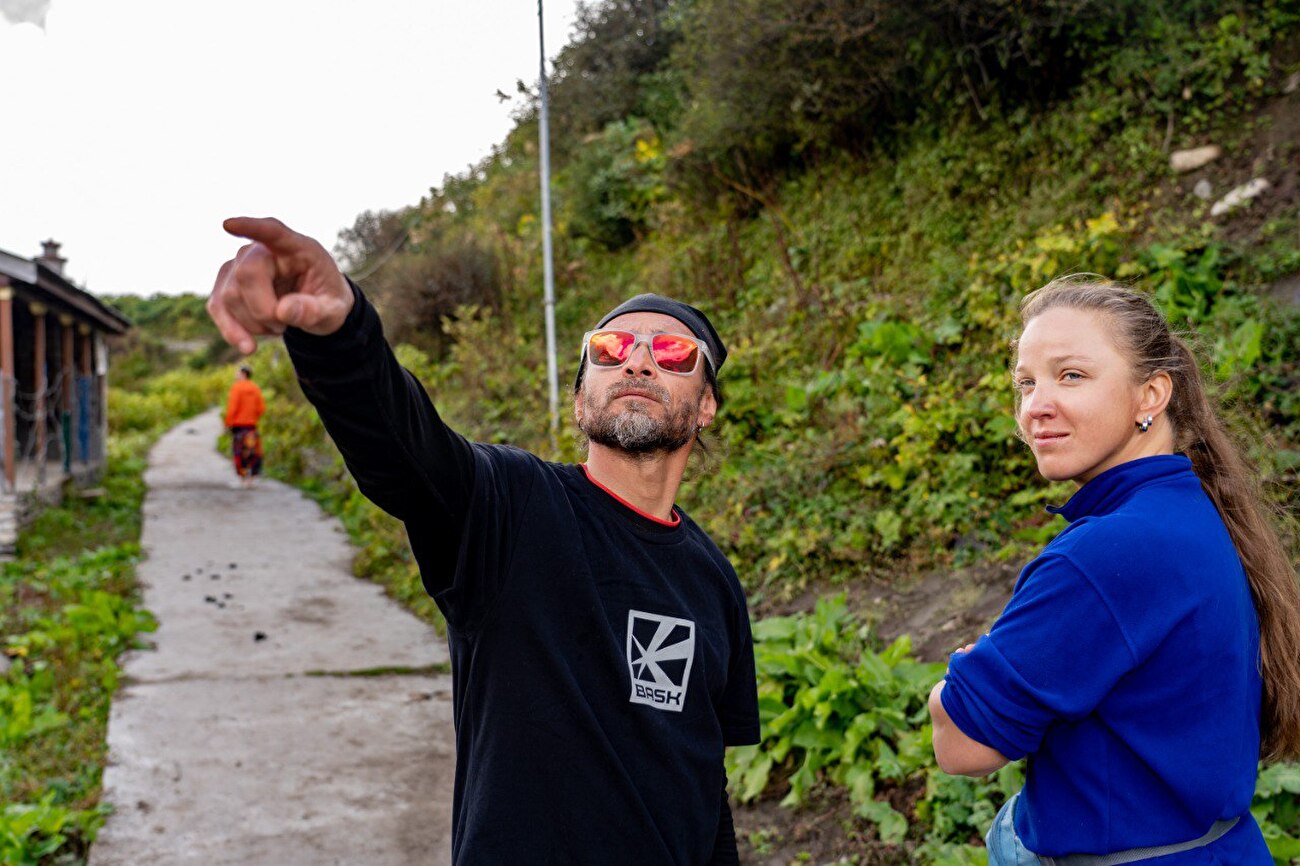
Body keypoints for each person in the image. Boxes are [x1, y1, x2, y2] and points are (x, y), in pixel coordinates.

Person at [206, 216, 760, 865]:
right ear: (581, 400)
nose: (637, 360)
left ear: (706, 405)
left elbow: (704, 784)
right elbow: (404, 450)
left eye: (672, 353)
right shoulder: (510, 509)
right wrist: (340, 334)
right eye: (609, 349)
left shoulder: (714, 580)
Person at [927, 275, 1300, 864]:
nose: (1035, 406)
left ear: (1150, 395)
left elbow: (962, 747)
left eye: (1071, 375)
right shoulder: (1189, 509)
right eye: (1026, 382)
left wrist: (948, 689)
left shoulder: (1108, 554)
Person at [224, 364, 265, 487]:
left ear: (243, 374)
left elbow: (233, 408)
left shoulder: (237, 388)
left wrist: (228, 423)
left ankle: (242, 479)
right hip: (251, 426)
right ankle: (252, 479)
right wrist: (253, 417)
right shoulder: (255, 388)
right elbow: (261, 408)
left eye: (237, 372)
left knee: (239, 452)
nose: (235, 374)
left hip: (239, 426)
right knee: (253, 452)